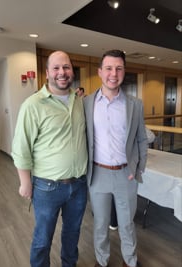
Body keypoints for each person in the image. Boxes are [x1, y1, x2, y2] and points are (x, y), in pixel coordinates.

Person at [11, 51, 88, 267]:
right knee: (43, 239)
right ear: (47, 73)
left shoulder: (79, 101)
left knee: (72, 235)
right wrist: (25, 182)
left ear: (72, 71)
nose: (62, 73)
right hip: (47, 188)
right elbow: (21, 147)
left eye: (66, 67)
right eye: (56, 68)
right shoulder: (33, 104)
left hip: (79, 185)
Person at [84, 49, 148, 267]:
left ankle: (130, 262)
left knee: (127, 223)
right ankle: (102, 262)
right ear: (100, 72)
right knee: (101, 224)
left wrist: (138, 170)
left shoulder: (135, 104)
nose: (114, 73)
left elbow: (141, 139)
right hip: (98, 174)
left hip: (126, 174)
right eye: (109, 68)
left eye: (119, 68)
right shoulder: (86, 104)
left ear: (124, 71)